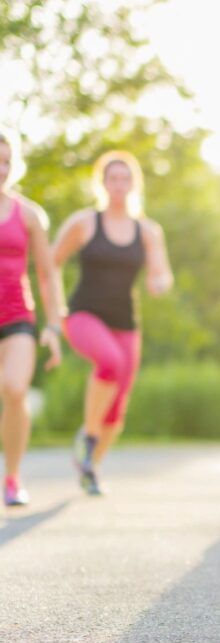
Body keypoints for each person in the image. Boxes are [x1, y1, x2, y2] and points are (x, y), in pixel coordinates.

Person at [52, 151, 173, 496]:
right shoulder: (84, 222)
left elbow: (161, 273)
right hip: (81, 315)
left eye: (125, 179)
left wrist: (160, 283)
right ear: (103, 183)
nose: (119, 185)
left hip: (126, 323)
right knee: (110, 362)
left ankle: (92, 466)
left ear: (134, 184)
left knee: (117, 410)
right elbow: (52, 263)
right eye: (112, 178)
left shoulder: (148, 230)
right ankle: (88, 437)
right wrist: (55, 308)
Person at [0, 129, 63, 507]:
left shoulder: (29, 215)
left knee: (15, 388)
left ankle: (12, 476)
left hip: (17, 315)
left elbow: (47, 272)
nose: (1, 168)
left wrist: (54, 323)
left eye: (6, 161)